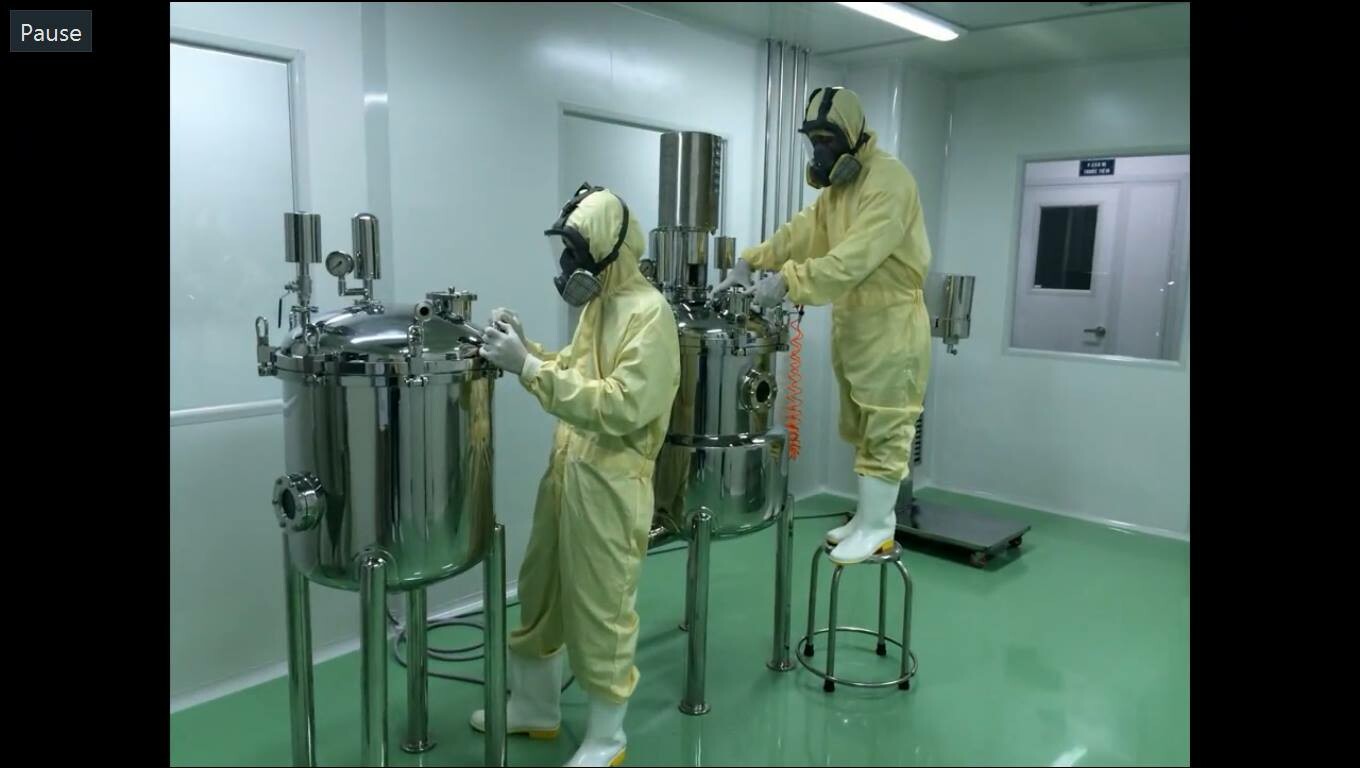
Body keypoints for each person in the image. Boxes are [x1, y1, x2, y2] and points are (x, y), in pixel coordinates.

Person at [471, 182, 680, 767]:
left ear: (613, 253)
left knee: (600, 608)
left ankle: (607, 737)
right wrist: (526, 349)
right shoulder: (600, 305)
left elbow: (619, 404)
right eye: (566, 252)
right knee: (541, 590)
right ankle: (535, 707)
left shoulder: (650, 315)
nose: (568, 267)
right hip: (567, 470)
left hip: (612, 484)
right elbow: (572, 367)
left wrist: (528, 369)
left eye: (578, 253)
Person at [714, 86, 932, 565]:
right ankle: (866, 516)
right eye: (813, 140)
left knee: (886, 421)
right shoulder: (837, 192)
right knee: (861, 421)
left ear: (853, 136)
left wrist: (788, 281)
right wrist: (752, 261)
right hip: (855, 319)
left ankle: (879, 525)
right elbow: (802, 231)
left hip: (891, 320)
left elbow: (854, 257)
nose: (819, 151)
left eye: (827, 140)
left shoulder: (889, 181)